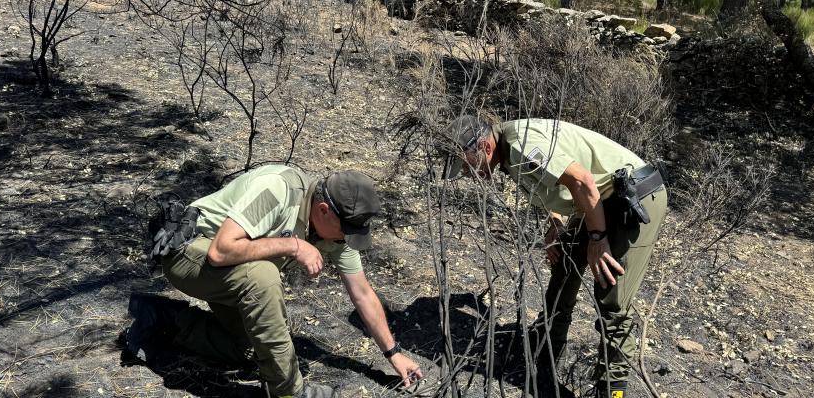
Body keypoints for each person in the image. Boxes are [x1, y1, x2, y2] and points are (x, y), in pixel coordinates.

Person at [126, 165, 424, 398]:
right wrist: (293, 246)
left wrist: (393, 353)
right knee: (263, 276)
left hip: (229, 273)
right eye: (346, 230)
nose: (347, 238)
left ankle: (162, 318)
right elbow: (220, 251)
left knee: (252, 348)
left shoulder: (335, 231)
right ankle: (287, 392)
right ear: (323, 210)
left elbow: (361, 293)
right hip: (188, 254)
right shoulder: (278, 189)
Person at [442, 116, 667, 398]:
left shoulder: (521, 144)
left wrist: (598, 238)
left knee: (612, 294)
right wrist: (556, 222)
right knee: (565, 264)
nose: (467, 172)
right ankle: (546, 347)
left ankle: (612, 388)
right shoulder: (509, 151)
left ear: (485, 147)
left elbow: (583, 179)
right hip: (599, 200)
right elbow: (556, 184)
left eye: (465, 164)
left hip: (632, 197)